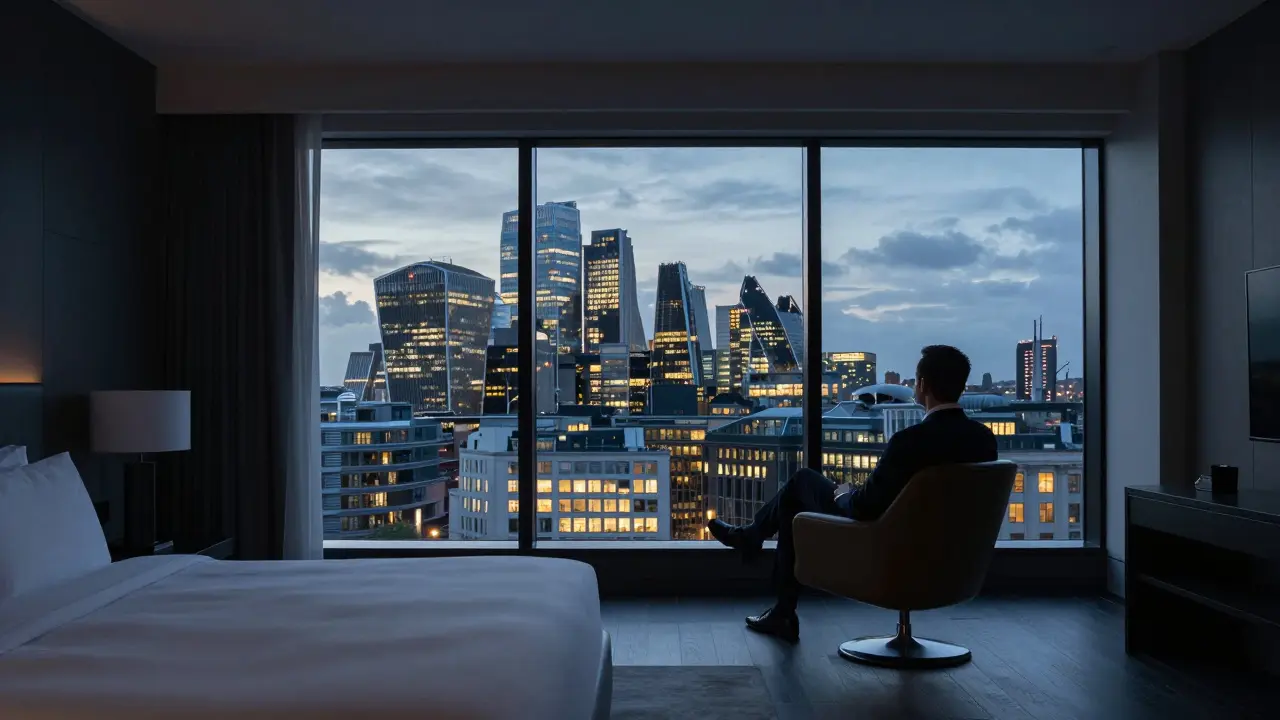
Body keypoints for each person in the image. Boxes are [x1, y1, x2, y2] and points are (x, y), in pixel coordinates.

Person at [707, 344, 998, 642]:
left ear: (922, 385)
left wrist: (843, 493)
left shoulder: (909, 442)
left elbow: (864, 507)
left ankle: (774, 589)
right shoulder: (985, 441)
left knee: (801, 483)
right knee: (801, 489)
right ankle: (755, 547)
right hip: (956, 563)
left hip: (889, 552)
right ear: (961, 386)